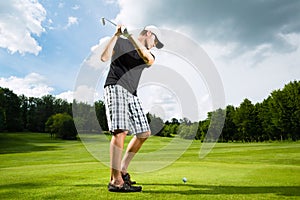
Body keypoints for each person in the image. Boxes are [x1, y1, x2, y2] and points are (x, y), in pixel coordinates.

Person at [100, 24, 164, 192]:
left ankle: (122, 170)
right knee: (120, 131)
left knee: (144, 133)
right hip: (116, 86)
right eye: (155, 41)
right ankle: (116, 181)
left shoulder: (148, 53)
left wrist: (131, 37)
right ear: (149, 33)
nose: (155, 45)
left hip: (132, 93)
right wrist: (116, 35)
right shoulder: (121, 43)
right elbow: (104, 58)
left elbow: (147, 59)